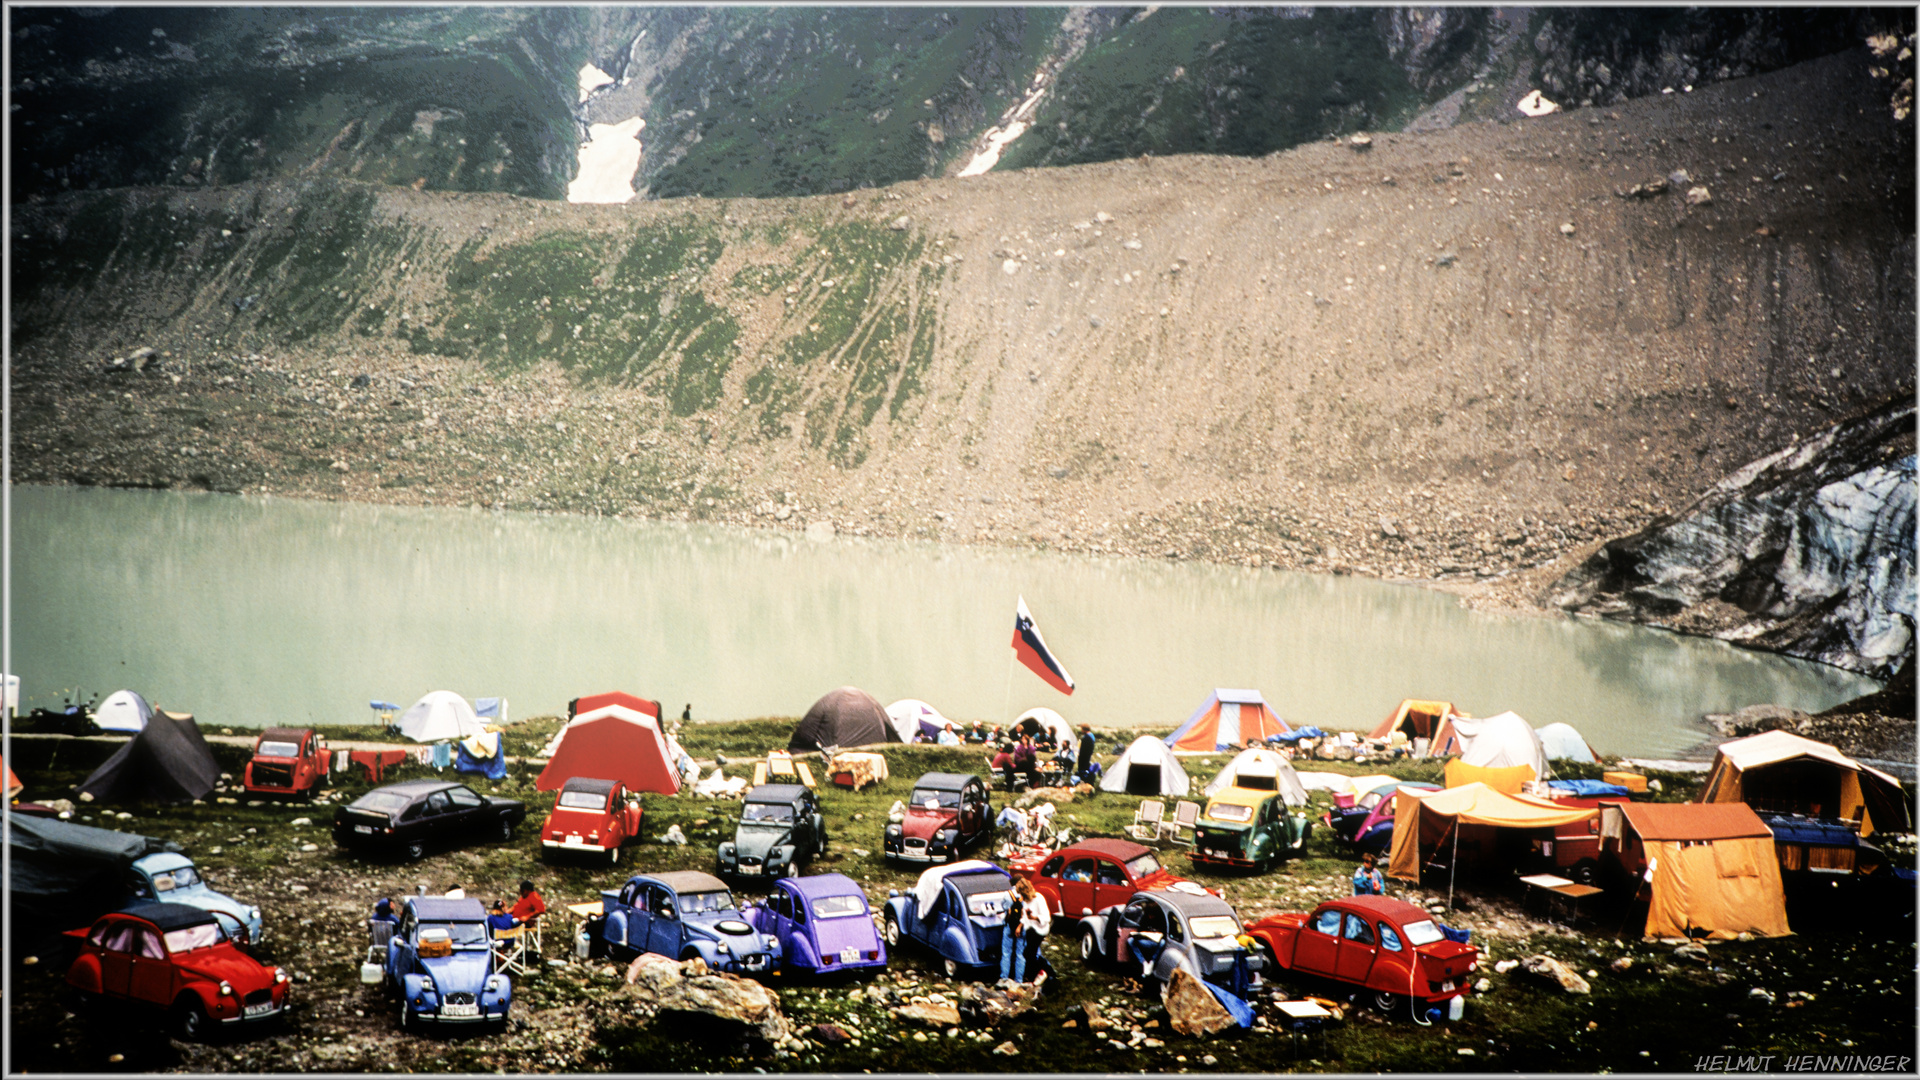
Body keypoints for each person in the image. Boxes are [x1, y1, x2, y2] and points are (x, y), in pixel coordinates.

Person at [1012, 877, 1048, 983]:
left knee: (1028, 953)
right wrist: (1019, 926)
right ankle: (1031, 976)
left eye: (1022, 894)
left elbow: (1047, 918)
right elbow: (1024, 917)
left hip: (1039, 929)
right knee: (1028, 954)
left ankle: (1042, 972)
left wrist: (1035, 918)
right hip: (1030, 928)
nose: (1021, 897)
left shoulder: (1039, 899)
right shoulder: (1026, 901)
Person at [998, 880, 1026, 984]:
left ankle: (1004, 978)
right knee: (1020, 954)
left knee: (1006, 953)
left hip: (1009, 926)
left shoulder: (1007, 894)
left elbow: (1004, 907)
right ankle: (1019, 980)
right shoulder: (1025, 895)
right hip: (1021, 926)